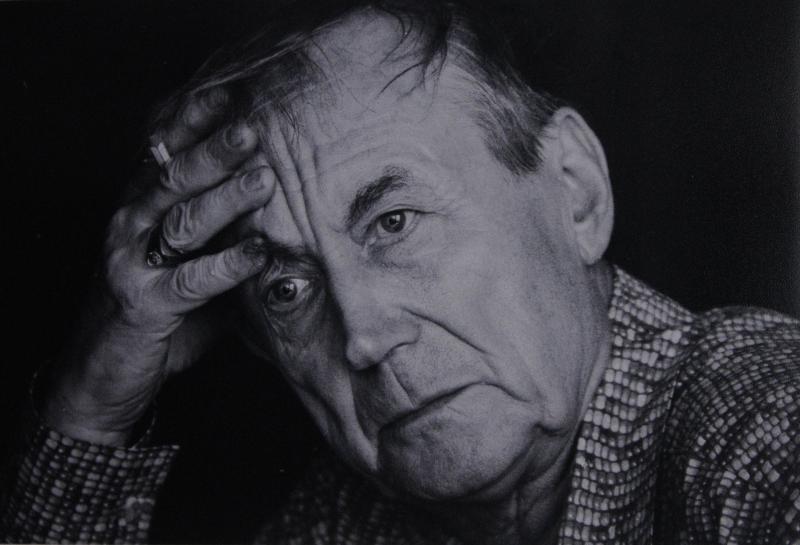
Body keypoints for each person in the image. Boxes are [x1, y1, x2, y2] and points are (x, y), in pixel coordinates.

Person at [2, 1, 799, 543]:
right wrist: (91, 409)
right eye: (288, 288)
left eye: (394, 222)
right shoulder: (345, 518)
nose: (364, 334)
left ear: (576, 191)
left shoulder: (757, 426)